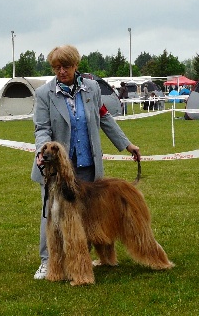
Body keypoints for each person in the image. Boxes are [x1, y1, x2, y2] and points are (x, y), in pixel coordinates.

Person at [31, 45, 141, 280]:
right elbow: (42, 128)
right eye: (57, 67)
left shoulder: (91, 88)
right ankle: (48, 261)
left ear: (76, 66)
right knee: (51, 215)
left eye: (66, 67)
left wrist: (127, 144)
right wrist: (42, 151)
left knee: (91, 213)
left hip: (87, 163)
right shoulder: (44, 94)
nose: (61, 71)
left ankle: (92, 258)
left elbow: (104, 117)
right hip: (57, 169)